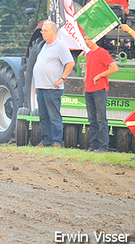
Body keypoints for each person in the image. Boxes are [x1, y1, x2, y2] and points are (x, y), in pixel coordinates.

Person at [33, 20, 75, 148]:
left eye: (45, 31)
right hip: (41, 87)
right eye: (42, 31)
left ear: (53, 31)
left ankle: (57, 141)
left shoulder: (60, 46)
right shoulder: (44, 46)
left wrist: (62, 78)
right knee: (43, 116)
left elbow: (70, 63)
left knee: (54, 116)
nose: (43, 33)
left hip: (52, 88)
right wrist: (37, 84)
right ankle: (46, 140)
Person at [83, 34, 118, 153]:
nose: (87, 42)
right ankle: (93, 145)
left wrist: (100, 75)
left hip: (99, 90)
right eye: (86, 39)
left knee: (101, 119)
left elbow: (114, 68)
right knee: (92, 119)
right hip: (89, 90)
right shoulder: (89, 54)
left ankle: (103, 147)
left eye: (89, 39)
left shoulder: (102, 52)